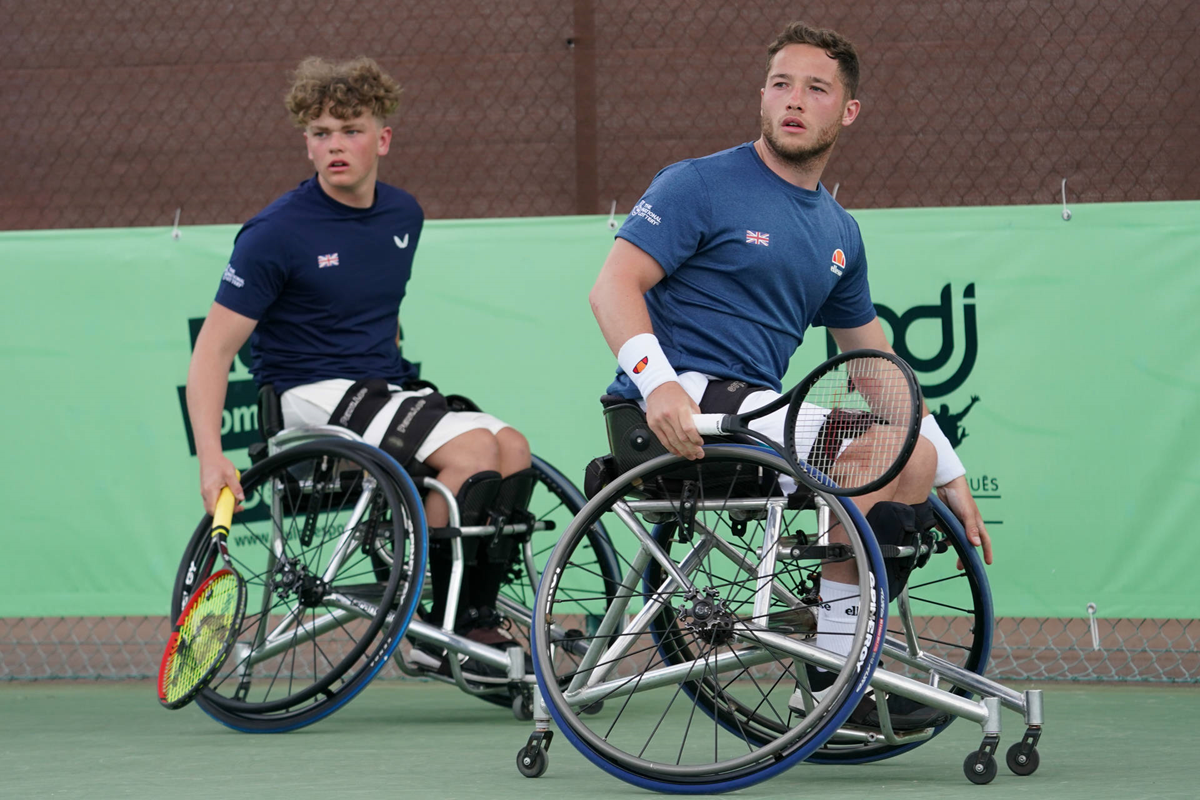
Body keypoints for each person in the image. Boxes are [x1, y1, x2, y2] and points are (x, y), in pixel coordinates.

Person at [588, 22, 993, 729]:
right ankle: (835, 674)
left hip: (755, 412)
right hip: (681, 407)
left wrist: (953, 474)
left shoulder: (839, 231)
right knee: (876, 452)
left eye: (815, 88)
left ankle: (837, 660)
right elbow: (613, 288)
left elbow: (879, 369)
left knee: (915, 453)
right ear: (763, 98)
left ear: (848, 111)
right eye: (781, 84)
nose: (794, 100)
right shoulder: (699, 184)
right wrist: (658, 384)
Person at [185, 56, 530, 676]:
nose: (335, 145)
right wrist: (212, 457)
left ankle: (471, 619)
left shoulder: (404, 216)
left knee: (514, 448)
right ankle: (422, 621)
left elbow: (379, 311)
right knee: (474, 447)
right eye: (320, 133)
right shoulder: (274, 233)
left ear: (383, 139)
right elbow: (212, 351)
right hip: (304, 394)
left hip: (380, 389)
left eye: (350, 130)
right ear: (307, 144)